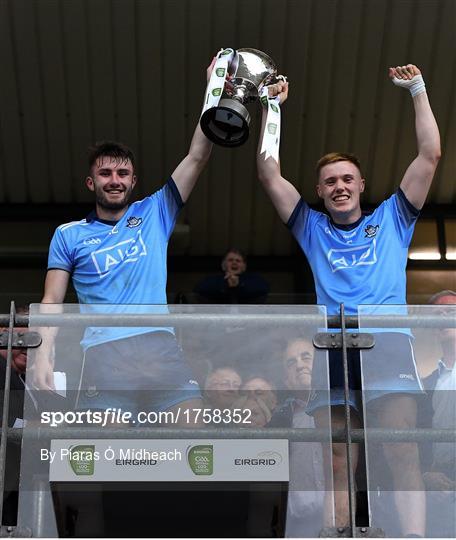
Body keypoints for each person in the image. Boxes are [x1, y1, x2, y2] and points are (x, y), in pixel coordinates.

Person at [257, 64, 441, 537]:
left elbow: (430, 154)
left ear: (360, 185)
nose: (339, 186)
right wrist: (271, 108)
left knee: (402, 448)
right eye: (330, 182)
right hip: (332, 347)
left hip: (387, 345)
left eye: (347, 179)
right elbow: (268, 172)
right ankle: (337, 533)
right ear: (320, 192)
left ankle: (416, 537)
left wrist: (417, 90)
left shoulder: (393, 218)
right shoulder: (311, 227)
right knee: (337, 453)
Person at [33, 62, 215, 426]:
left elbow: (197, 156)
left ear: (134, 181)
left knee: (194, 431)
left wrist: (213, 89)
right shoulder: (68, 234)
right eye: (105, 173)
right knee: (102, 453)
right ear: (91, 182)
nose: (114, 180)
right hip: (103, 353)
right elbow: (52, 301)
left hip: (159, 346)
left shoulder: (156, 211)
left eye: (122, 174)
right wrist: (42, 354)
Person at [269, 337, 326, 537]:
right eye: (291, 362)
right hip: (297, 526)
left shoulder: (342, 409)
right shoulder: (279, 420)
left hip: (343, 519)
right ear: (286, 380)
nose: (300, 365)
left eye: (306, 357)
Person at [421, 290, 455, 537]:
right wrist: (425, 475)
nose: (443, 319)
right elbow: (417, 440)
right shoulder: (424, 385)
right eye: (437, 315)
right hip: (440, 491)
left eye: (451, 312)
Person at [194, 248, 269, 304]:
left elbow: (263, 288)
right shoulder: (213, 279)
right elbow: (200, 289)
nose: (234, 262)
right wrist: (225, 283)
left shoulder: (254, 279)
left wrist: (239, 284)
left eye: (238, 261)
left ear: (244, 267)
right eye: (230, 260)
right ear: (223, 265)